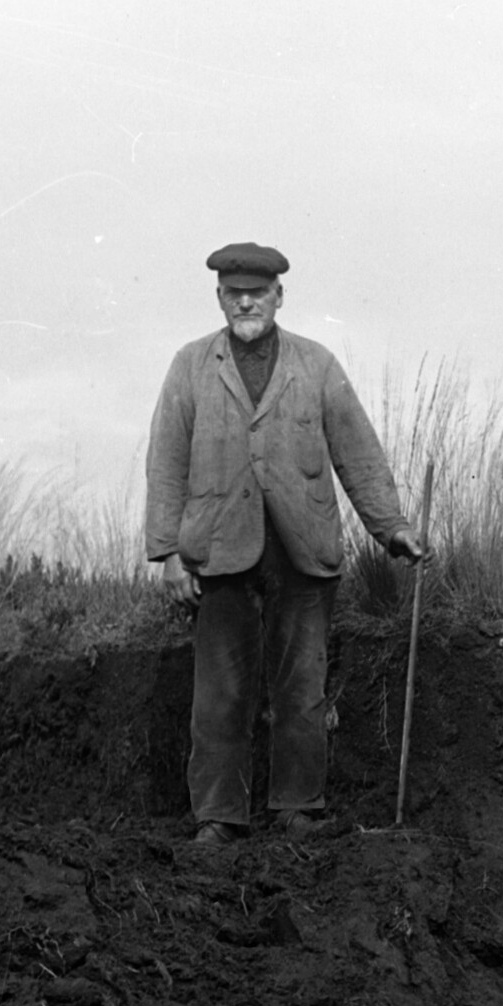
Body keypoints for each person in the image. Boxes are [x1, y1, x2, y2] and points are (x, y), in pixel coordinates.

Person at [143, 242, 427, 844]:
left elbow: (359, 452)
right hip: (220, 552)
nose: (246, 302)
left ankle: (299, 809)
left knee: (302, 686)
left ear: (279, 296)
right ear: (220, 298)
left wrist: (392, 527)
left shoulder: (317, 365)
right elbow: (166, 462)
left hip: (303, 552)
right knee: (220, 694)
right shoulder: (190, 366)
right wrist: (167, 552)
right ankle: (219, 819)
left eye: (258, 292)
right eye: (234, 293)